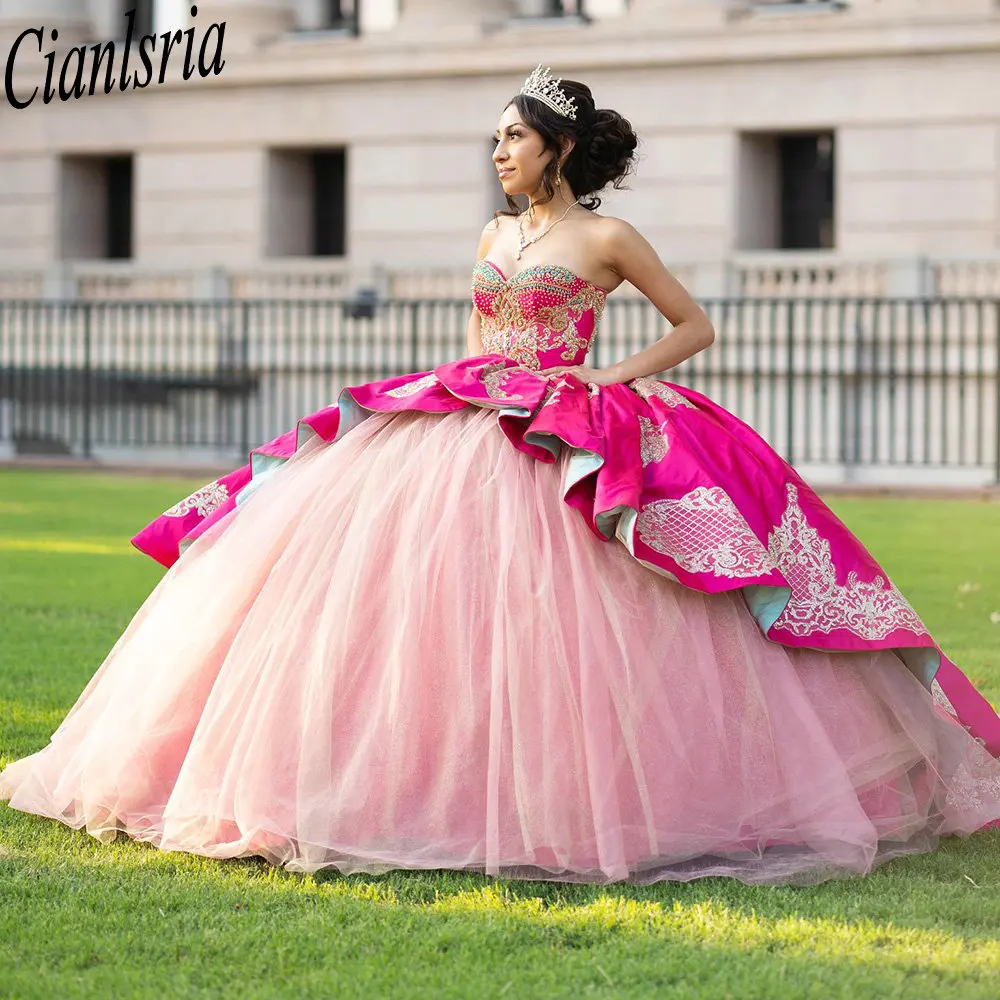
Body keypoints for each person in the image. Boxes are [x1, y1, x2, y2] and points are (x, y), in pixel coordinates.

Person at [3, 67, 999, 886]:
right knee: (427, 612)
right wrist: (462, 383)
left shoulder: (605, 238)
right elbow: (479, 332)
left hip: (573, 423)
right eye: (493, 139)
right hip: (478, 421)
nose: (498, 153)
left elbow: (693, 324)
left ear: (557, 150)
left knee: (596, 612)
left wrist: (609, 375)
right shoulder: (493, 235)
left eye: (513, 139)